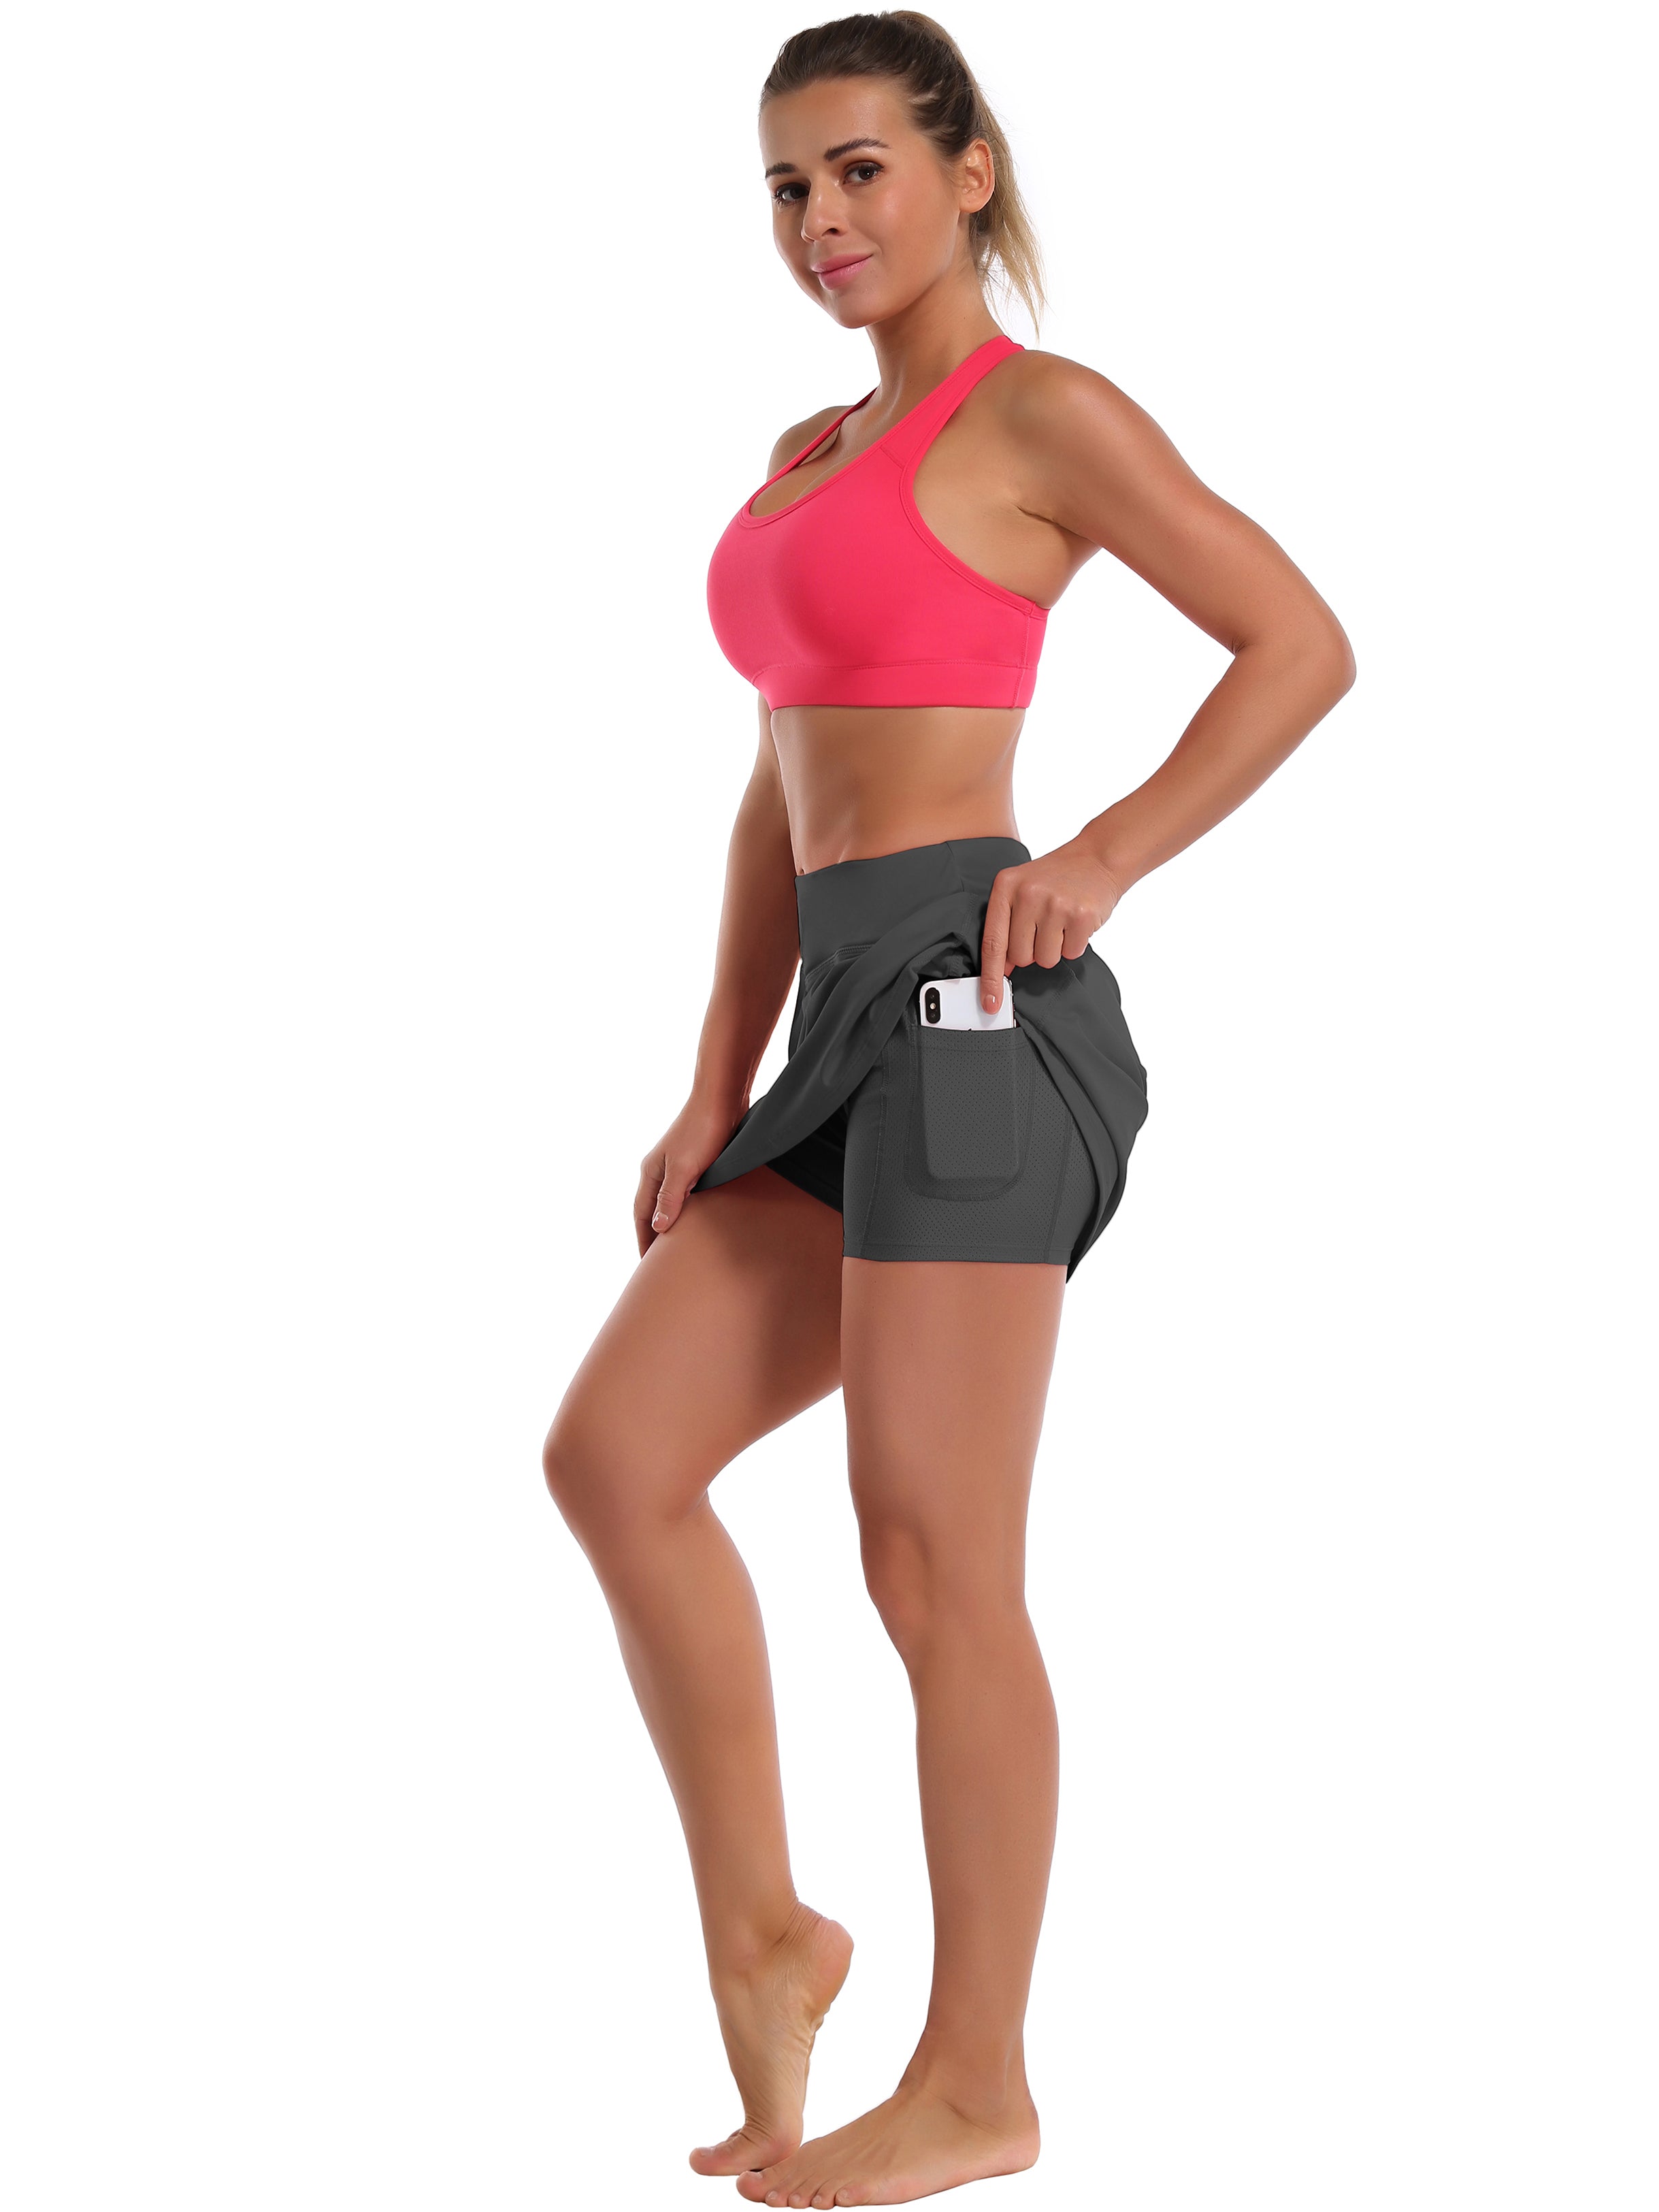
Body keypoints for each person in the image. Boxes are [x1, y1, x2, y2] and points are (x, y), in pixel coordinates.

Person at [543, 12, 1354, 2204]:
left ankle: (978, 2075)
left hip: (982, 1011)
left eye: (859, 171)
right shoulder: (807, 450)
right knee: (615, 1457)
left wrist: (1100, 853)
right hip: (834, 1028)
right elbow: (775, 785)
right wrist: (712, 1078)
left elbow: (1296, 640)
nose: (820, 219)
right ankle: (769, 1932)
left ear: (966, 171)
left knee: (927, 1551)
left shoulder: (1040, 416)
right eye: (785, 186)